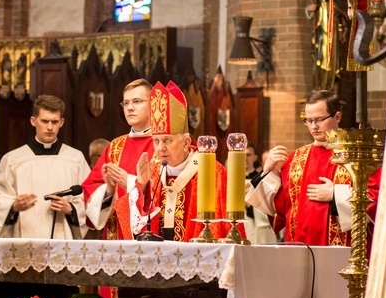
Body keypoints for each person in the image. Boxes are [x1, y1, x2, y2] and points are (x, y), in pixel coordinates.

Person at [246, 90, 380, 246]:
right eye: (308, 121)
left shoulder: (359, 157)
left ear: (337, 117)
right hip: (299, 247)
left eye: (319, 120)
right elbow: (279, 211)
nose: (313, 127)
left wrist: (336, 194)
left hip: (343, 252)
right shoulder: (295, 159)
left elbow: (377, 199)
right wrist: (268, 172)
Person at [130, 81, 237, 242]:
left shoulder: (211, 171)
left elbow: (223, 229)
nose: (160, 148)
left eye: (167, 140)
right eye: (156, 141)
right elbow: (135, 223)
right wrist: (142, 185)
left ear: (186, 143)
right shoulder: (153, 171)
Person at [0, 94, 91, 240]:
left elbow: (89, 199)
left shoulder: (75, 159)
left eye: (55, 122)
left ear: (62, 122)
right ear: (33, 121)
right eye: (45, 121)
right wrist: (13, 206)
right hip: (24, 241)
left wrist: (71, 209)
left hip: (63, 243)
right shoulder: (13, 159)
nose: (50, 127)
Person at [82, 79, 155, 240]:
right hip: (116, 238)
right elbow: (91, 187)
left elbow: (168, 192)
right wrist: (108, 190)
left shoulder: (164, 144)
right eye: (126, 103)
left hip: (152, 237)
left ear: (153, 104)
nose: (130, 108)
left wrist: (128, 182)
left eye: (137, 101)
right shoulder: (115, 147)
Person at [243, 144, 276, 244]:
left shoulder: (262, 178)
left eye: (248, 155)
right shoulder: (232, 179)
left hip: (260, 226)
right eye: (242, 155)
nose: (245, 158)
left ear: (255, 157)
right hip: (243, 226)